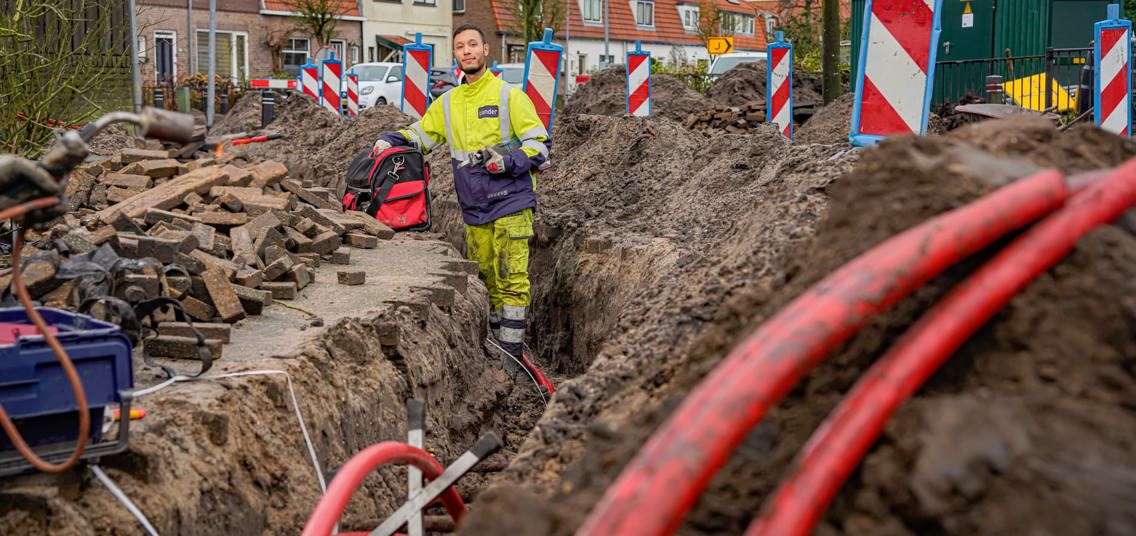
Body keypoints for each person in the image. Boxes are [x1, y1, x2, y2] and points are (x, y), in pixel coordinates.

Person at [373, 23, 550, 367]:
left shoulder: (508, 95)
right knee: (486, 280)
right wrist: (392, 139)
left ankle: (511, 361)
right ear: (455, 54)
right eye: (460, 46)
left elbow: (540, 148)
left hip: (512, 200)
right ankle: (498, 351)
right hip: (474, 206)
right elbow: (423, 136)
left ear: (486, 50)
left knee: (512, 279)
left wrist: (508, 161)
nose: (467, 50)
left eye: (473, 44)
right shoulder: (449, 102)